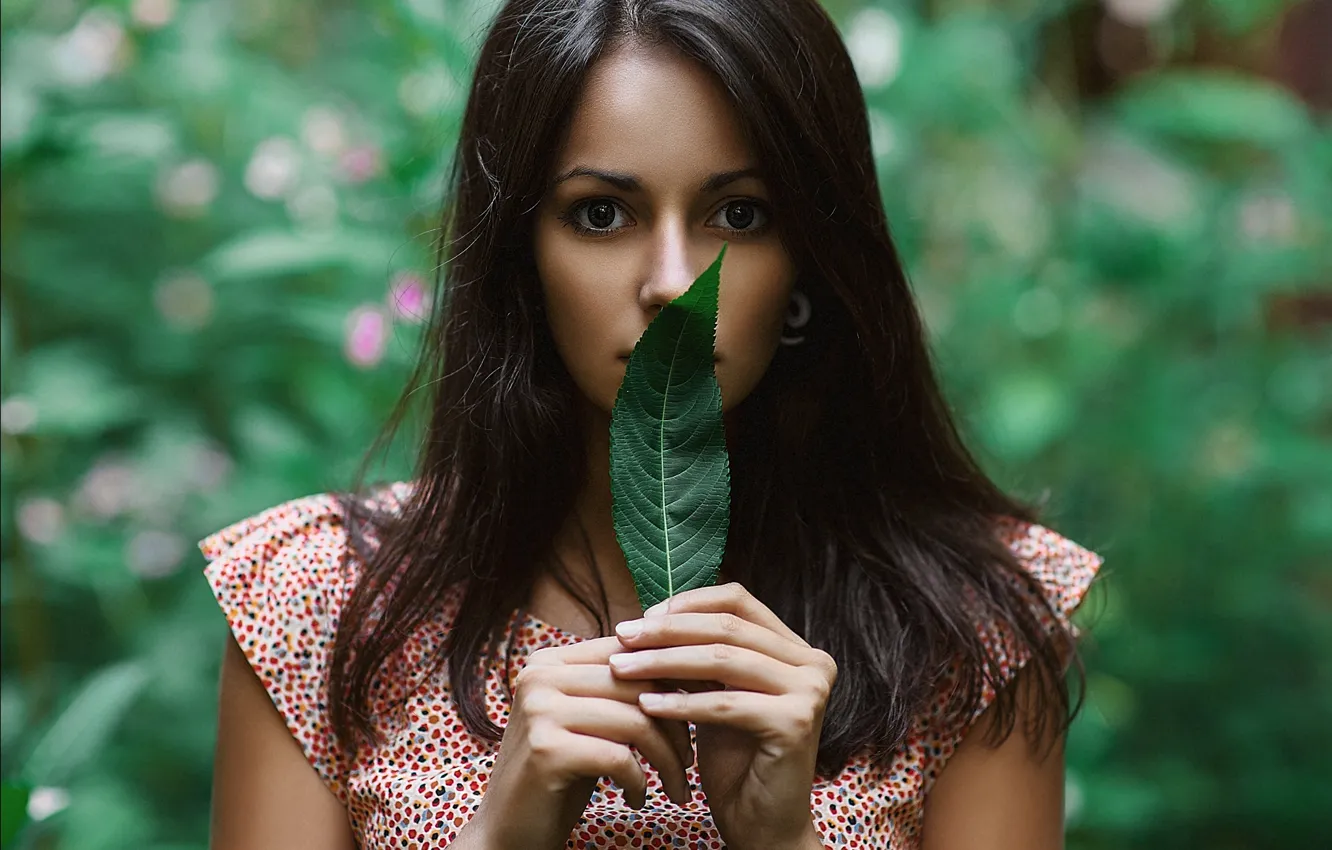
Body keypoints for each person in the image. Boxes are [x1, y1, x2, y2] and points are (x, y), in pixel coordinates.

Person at [202, 1, 1103, 848]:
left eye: (738, 215)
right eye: (603, 214)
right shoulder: (319, 605)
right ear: (522, 255)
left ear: (812, 263)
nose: (673, 281)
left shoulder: (969, 628)